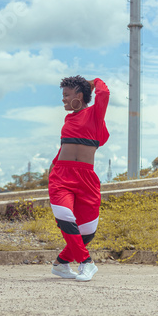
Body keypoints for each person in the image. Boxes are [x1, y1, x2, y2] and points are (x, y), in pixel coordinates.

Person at [48, 75, 110, 282]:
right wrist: (54, 166)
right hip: (62, 175)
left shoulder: (94, 115)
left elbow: (104, 93)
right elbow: (66, 147)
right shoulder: (68, 119)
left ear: (79, 95)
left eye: (66, 95)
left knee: (87, 233)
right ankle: (87, 263)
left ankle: (61, 264)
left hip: (87, 178)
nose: (63, 99)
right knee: (65, 217)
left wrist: (93, 82)